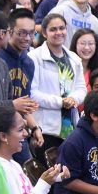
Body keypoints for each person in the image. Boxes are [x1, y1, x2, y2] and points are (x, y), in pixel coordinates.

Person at [29, 13, 87, 154]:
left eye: (62, 28)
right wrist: (61, 102)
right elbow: (32, 94)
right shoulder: (34, 58)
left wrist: (73, 99)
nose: (59, 32)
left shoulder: (74, 58)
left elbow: (81, 88)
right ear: (44, 32)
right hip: (46, 128)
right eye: (53, 29)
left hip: (71, 127)